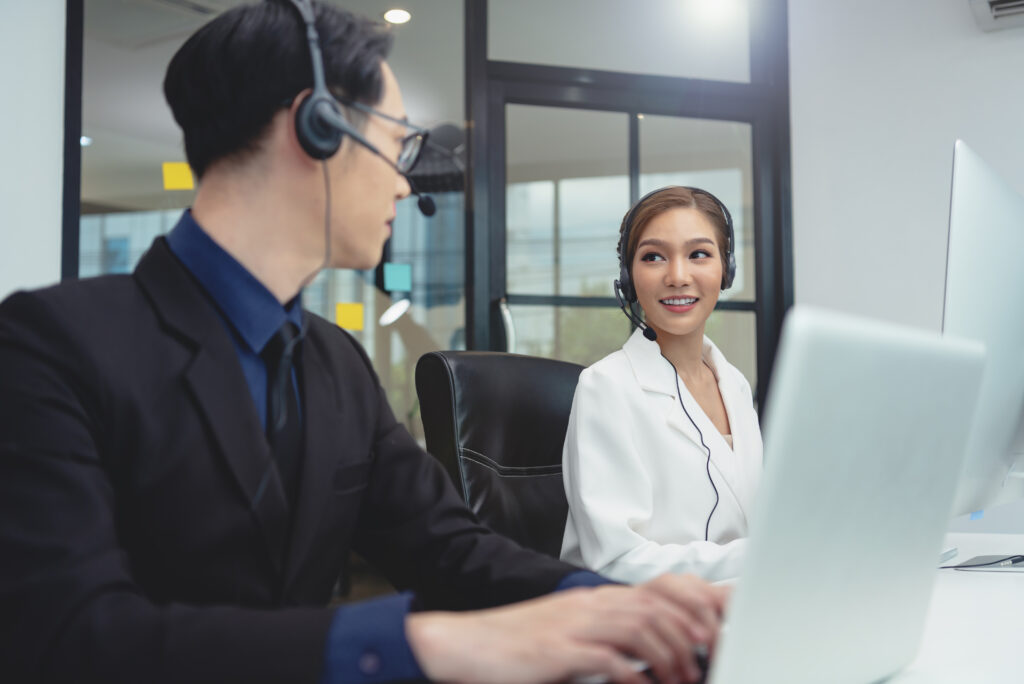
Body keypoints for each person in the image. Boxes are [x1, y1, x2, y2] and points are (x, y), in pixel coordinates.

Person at [0, 3, 729, 683]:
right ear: (315, 127)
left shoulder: (333, 363)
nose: (407, 186)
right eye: (396, 144)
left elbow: (450, 550)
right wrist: (422, 642)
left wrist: (617, 605)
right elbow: (68, 634)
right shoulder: (51, 345)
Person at [560, 186, 764, 584]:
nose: (677, 276)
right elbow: (616, 562)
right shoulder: (606, 387)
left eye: (699, 254)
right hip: (641, 624)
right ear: (628, 277)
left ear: (727, 270)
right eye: (653, 257)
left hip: (742, 611)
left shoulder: (735, 386)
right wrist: (762, 558)